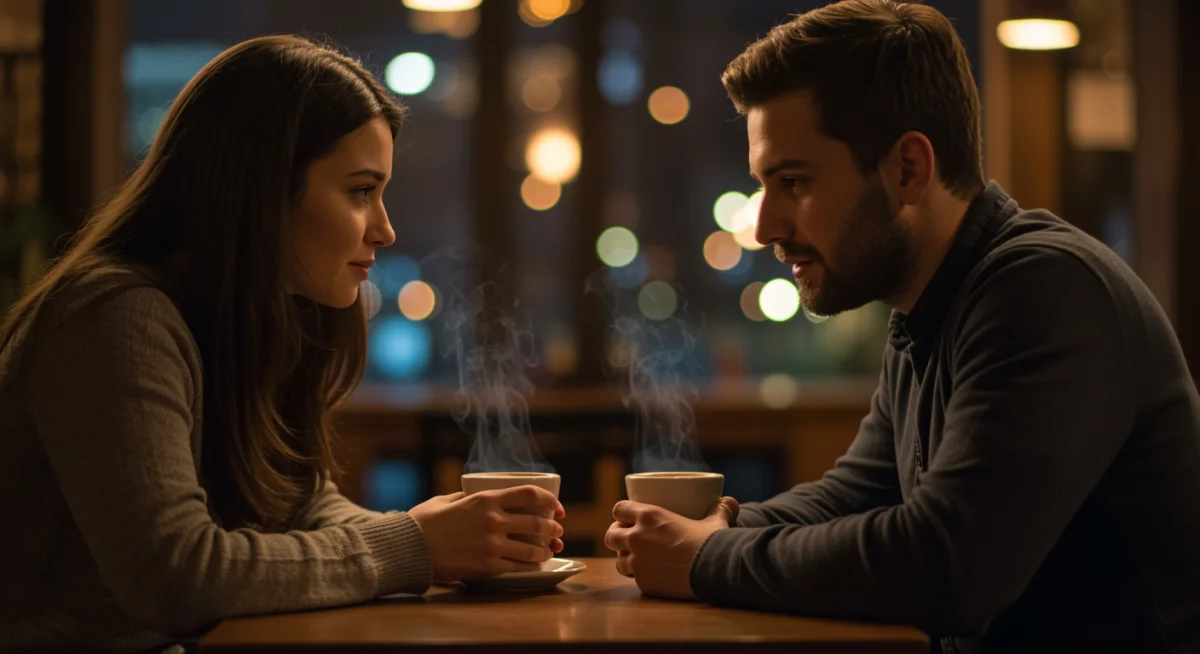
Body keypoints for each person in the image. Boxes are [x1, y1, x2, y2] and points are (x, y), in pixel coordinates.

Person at [605, 1, 1200, 652]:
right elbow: (858, 494)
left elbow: (948, 566)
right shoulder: (932, 304)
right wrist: (703, 532)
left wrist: (707, 559)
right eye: (763, 185)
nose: (766, 226)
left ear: (908, 169)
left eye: (794, 182)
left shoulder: (1044, 290)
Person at [0, 35, 565, 652]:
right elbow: (176, 575)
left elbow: (303, 503)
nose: (385, 227)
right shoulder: (115, 318)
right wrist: (413, 546)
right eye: (359, 191)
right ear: (263, 190)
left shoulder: (256, 318)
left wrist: (438, 539)